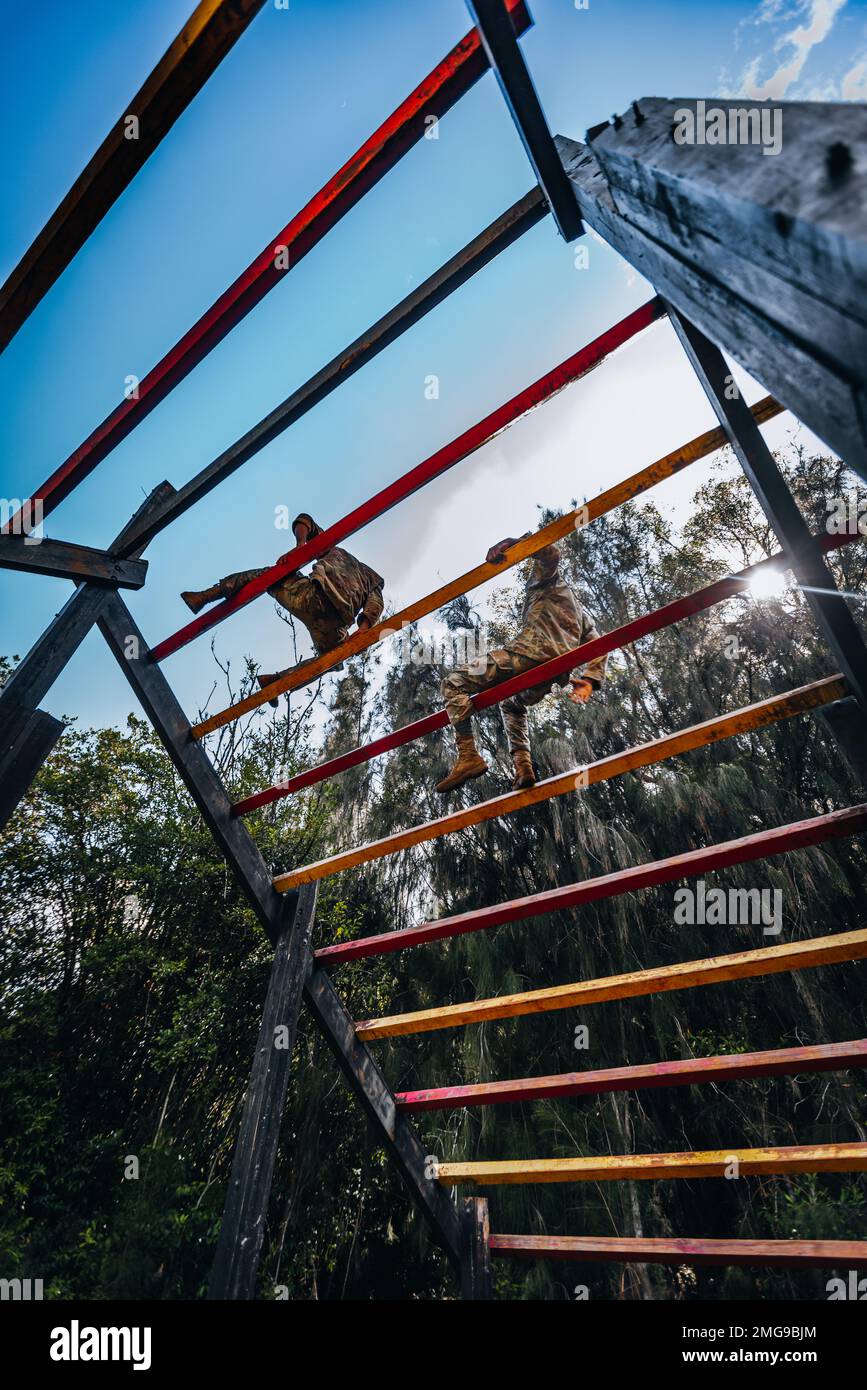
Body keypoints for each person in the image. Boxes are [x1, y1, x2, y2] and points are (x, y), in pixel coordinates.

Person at [437, 534, 607, 794]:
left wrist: (512, 542)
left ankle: (468, 756)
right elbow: (597, 642)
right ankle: (523, 768)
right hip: (552, 673)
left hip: (529, 653)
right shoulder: (580, 614)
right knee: (512, 703)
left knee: (454, 682)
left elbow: (550, 554)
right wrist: (590, 680)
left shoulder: (548, 581)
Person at [180, 513, 384, 698]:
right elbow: (376, 603)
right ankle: (278, 681)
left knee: (266, 576)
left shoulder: (335, 550)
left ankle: (206, 596)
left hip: (313, 597)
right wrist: (363, 629)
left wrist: (300, 547)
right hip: (334, 624)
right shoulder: (372, 579)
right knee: (333, 659)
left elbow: (305, 520)